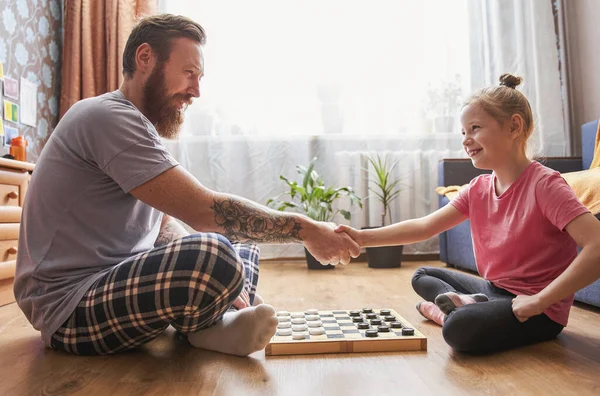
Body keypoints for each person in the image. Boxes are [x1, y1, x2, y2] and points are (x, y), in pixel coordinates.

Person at [14, 14, 359, 357]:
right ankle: (209, 325)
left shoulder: (138, 129)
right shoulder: (106, 117)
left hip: (114, 281)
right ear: (145, 58)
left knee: (240, 248)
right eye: (189, 73)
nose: (196, 90)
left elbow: (162, 225)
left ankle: (217, 320)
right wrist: (305, 230)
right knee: (217, 252)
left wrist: (220, 280)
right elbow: (205, 212)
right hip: (69, 307)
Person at [336, 74, 600, 354]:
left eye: (474, 128)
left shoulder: (545, 185)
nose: (466, 140)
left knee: (458, 330)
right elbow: (424, 227)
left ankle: (449, 313)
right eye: (463, 132)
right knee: (422, 274)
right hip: (494, 289)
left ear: (514, 126)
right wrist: (361, 238)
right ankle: (466, 304)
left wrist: (540, 301)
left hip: (537, 310)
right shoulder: (479, 188)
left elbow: (597, 246)